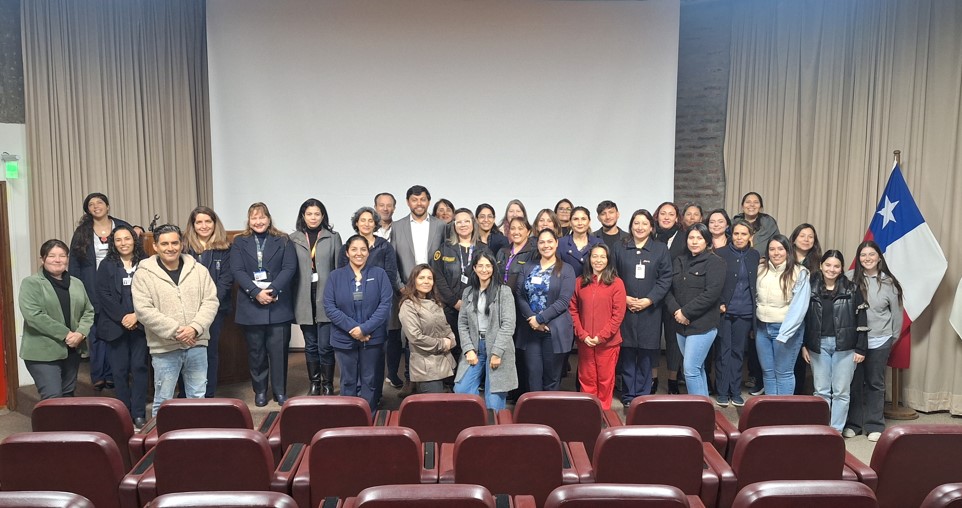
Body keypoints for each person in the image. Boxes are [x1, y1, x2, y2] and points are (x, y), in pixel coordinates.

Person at [132, 224, 219, 417]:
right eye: (164, 244)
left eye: (174, 243)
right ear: (155, 246)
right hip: (164, 348)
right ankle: (161, 444)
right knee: (164, 401)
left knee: (198, 397)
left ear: (181, 245)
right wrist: (178, 331)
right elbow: (144, 310)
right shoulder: (144, 273)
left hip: (197, 344)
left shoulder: (199, 270)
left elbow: (211, 301)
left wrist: (195, 329)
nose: (170, 248)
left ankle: (195, 440)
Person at [231, 203, 297, 407]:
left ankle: (279, 391)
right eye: (254, 218)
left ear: (269, 219)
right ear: (249, 221)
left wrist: (273, 290)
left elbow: (289, 268)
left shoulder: (284, 240)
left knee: (278, 352)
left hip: (278, 304)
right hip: (251, 304)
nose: (258, 222)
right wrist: (256, 292)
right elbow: (237, 270)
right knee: (256, 352)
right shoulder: (239, 242)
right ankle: (260, 390)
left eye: (262, 218)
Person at [323, 235, 394, 411]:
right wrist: (352, 329)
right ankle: (349, 415)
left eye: (363, 249)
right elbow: (329, 307)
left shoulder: (379, 274)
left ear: (368, 253)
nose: (359, 253)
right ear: (347, 252)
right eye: (354, 249)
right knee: (348, 380)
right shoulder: (335, 276)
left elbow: (385, 305)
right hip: (343, 337)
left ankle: (368, 415)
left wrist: (364, 329)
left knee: (369, 380)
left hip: (372, 337)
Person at [69, 192, 129, 391]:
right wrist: (76, 287)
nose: (96, 206)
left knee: (114, 329)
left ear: (108, 206)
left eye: (100, 202)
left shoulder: (121, 226)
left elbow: (134, 248)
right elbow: (74, 263)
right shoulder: (82, 231)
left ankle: (113, 373)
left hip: (118, 284)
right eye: (91, 204)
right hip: (91, 285)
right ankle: (98, 375)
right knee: (95, 331)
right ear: (87, 210)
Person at [19, 239, 93, 399]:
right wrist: (67, 334)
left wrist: (81, 333)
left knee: (67, 395)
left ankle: (66, 425)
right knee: (52, 397)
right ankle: (50, 425)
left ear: (67, 258)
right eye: (52, 256)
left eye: (62, 255)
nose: (57, 260)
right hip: (42, 352)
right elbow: (34, 316)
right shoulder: (31, 283)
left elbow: (88, 311)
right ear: (43, 259)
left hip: (72, 349)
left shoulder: (76, 283)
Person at [802, 250, 867, 433]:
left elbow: (862, 320)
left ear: (841, 269)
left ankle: (835, 430)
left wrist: (861, 349)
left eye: (836, 266)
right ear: (821, 265)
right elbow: (803, 319)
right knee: (821, 391)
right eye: (828, 265)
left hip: (846, 347)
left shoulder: (852, 289)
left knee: (841, 392)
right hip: (818, 346)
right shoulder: (810, 287)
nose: (832, 269)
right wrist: (803, 345)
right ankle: (822, 429)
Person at [845, 241, 903, 442]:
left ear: (879, 257)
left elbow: (896, 317)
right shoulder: (849, 278)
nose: (867, 258)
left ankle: (874, 425)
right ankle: (853, 423)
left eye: (871, 254)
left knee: (875, 384)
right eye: (863, 255)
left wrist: (889, 340)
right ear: (858, 258)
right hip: (854, 342)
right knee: (853, 383)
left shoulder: (889, 283)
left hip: (880, 340)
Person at [612, 209, 672, 404]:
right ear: (631, 226)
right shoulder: (619, 247)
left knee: (647, 352)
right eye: (636, 223)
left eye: (644, 224)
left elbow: (665, 279)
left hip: (650, 310)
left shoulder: (660, 249)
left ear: (651, 227)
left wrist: (649, 300)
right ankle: (629, 394)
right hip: (625, 308)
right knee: (628, 351)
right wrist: (625, 298)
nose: (640, 227)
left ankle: (643, 395)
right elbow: (612, 276)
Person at [96, 225, 149, 426]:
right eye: (118, 240)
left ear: (133, 240)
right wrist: (123, 318)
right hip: (115, 325)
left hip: (141, 324)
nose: (123, 243)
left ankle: (138, 412)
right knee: (119, 370)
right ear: (113, 243)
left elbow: (153, 292)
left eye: (127, 239)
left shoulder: (146, 263)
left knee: (139, 367)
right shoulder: (106, 265)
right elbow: (103, 294)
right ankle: (124, 411)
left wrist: (136, 315)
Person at [665, 223, 726, 397]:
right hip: (680, 324)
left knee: (690, 369)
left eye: (699, 238)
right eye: (691, 237)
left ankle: (697, 412)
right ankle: (704, 409)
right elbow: (668, 290)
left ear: (707, 241)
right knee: (696, 369)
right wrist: (677, 311)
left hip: (702, 325)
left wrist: (685, 313)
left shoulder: (716, 262)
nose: (694, 241)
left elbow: (711, 294)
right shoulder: (679, 260)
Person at [291, 199, 343, 396]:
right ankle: (315, 383)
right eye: (309, 214)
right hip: (303, 297)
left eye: (317, 214)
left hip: (326, 296)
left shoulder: (333, 237)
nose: (313, 217)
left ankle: (328, 384)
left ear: (323, 216)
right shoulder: (294, 238)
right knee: (310, 345)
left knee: (326, 346)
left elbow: (338, 271)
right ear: (303, 216)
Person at [454, 251, 517, 410]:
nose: (484, 269)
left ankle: (494, 431)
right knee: (462, 390)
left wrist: (496, 352)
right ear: (474, 268)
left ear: (493, 268)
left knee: (494, 401)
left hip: (499, 348)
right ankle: (474, 426)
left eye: (488, 266)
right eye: (480, 266)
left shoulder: (504, 292)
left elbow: (509, 324)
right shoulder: (468, 292)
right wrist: (468, 349)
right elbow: (462, 324)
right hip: (475, 347)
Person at [516, 229, 576, 391]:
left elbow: (563, 301)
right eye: (542, 242)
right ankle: (534, 415)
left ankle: (549, 415)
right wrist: (532, 319)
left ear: (556, 243)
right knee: (533, 376)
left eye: (550, 241)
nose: (546, 245)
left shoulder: (566, 269)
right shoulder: (528, 267)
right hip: (531, 331)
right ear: (537, 245)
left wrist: (540, 319)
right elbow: (520, 295)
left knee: (552, 379)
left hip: (554, 331)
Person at [183, 206, 233, 397]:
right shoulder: (184, 248)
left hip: (214, 311)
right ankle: (187, 395)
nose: (204, 226)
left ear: (214, 223)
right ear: (193, 225)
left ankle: (208, 394)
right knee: (186, 352)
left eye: (208, 221)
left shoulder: (225, 248)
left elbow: (226, 280)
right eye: (199, 222)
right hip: (187, 311)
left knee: (209, 352)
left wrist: (209, 305)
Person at [569, 244, 626, 409]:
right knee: (586, 378)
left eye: (602, 256)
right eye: (595, 256)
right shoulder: (579, 282)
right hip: (585, 341)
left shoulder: (617, 283)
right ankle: (588, 412)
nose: (598, 260)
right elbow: (573, 310)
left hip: (608, 343)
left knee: (605, 379)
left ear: (608, 260)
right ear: (589, 259)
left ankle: (604, 413)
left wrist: (601, 337)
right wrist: (582, 335)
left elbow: (618, 315)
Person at [755, 234, 810, 396]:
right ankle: (771, 414)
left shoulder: (800, 272)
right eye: (772, 249)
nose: (776, 253)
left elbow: (800, 307)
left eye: (780, 249)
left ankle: (784, 416)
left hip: (786, 330)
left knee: (784, 373)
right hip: (762, 329)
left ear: (788, 251)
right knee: (768, 373)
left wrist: (785, 334)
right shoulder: (760, 270)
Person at [715, 219, 759, 407]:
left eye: (743, 234)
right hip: (724, 311)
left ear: (750, 237)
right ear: (730, 235)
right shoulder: (720, 254)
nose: (739, 237)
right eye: (736, 234)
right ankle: (723, 391)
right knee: (723, 351)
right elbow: (713, 283)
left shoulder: (755, 256)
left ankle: (735, 390)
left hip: (746, 312)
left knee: (738, 352)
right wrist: (719, 302)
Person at [430, 208, 486, 354]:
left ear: (473, 224)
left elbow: (489, 278)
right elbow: (438, 278)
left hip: (477, 308)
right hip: (450, 309)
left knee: (474, 349)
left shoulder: (484, 249)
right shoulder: (444, 249)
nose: (463, 225)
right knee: (453, 347)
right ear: (454, 225)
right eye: (458, 222)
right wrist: (455, 302)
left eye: (466, 221)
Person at [398, 264, 457, 394]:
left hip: (445, 363)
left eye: (429, 278)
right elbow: (416, 338)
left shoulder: (436, 302)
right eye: (421, 278)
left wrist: (451, 340)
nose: (426, 281)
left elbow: (446, 328)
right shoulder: (408, 305)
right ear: (414, 281)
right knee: (433, 410)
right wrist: (443, 343)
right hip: (426, 368)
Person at [496, 216, 537, 399]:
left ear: (528, 231)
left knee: (522, 350)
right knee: (506, 348)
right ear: (508, 231)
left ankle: (523, 391)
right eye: (513, 228)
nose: (516, 232)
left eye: (521, 228)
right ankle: (510, 389)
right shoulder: (503, 252)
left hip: (522, 308)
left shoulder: (533, 251)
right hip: (502, 308)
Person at [653, 201, 686, 393]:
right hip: (653, 296)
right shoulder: (650, 235)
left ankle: (673, 380)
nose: (666, 217)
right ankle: (653, 378)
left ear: (676, 217)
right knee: (652, 339)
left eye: (670, 214)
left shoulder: (684, 237)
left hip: (675, 297)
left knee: (674, 341)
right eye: (662, 213)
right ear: (656, 217)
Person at [790, 223, 822, 395]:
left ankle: (797, 400)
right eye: (802, 235)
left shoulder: (819, 264)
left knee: (799, 364)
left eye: (810, 236)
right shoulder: (783, 257)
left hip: (807, 317)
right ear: (794, 238)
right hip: (782, 315)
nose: (806, 239)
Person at [392, 185, 446, 286]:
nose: (419, 203)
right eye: (414, 200)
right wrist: (400, 286)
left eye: (423, 199)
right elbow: (393, 260)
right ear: (408, 202)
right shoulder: (397, 227)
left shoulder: (441, 225)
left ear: (429, 202)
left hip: (435, 286)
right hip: (407, 287)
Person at [558, 206, 603, 276]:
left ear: (589, 222)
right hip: (568, 285)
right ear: (570, 222)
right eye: (576, 219)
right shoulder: (561, 243)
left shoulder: (598, 243)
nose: (580, 223)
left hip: (592, 285)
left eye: (583, 219)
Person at [733, 192, 779, 258]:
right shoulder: (734, 222)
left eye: (756, 202)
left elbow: (777, 243)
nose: (752, 205)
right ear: (742, 206)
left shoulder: (768, 222)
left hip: (763, 263)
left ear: (760, 207)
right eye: (748, 202)